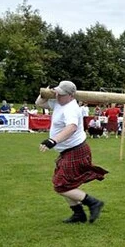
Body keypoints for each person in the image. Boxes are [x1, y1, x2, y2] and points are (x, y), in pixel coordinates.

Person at [35, 81, 108, 224]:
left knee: (61, 185)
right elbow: (39, 103)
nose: (57, 96)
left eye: (61, 94)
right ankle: (78, 215)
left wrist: (53, 140)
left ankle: (93, 203)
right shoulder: (58, 102)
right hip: (69, 151)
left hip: (76, 150)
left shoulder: (71, 108)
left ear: (70, 95)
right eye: (56, 92)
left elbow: (72, 127)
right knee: (65, 184)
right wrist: (45, 92)